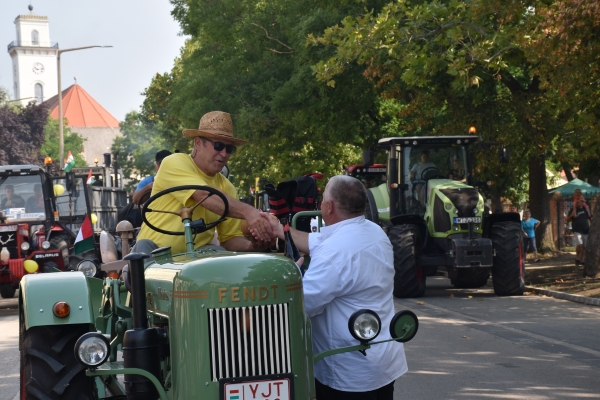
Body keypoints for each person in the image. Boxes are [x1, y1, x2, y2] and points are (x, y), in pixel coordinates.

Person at [257, 175, 407, 399]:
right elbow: (316, 242)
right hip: (383, 362)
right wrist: (281, 230)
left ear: (328, 207)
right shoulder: (375, 233)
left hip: (349, 373)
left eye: (323, 197)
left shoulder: (335, 253)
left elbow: (303, 306)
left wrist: (293, 272)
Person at [133, 111, 273, 256]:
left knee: (219, 253)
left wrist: (253, 246)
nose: (224, 154)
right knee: (143, 249)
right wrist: (249, 212)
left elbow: (230, 239)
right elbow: (204, 194)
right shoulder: (174, 162)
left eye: (229, 148)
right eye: (218, 145)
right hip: (154, 252)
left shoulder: (228, 188)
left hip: (195, 258)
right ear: (198, 143)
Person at [566, 197, 592, 267]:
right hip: (577, 230)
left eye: (579, 202)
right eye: (576, 202)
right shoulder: (573, 210)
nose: (577, 203)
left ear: (582, 203)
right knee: (579, 244)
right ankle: (577, 257)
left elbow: (590, 217)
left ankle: (582, 259)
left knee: (584, 246)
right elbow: (568, 220)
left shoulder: (585, 210)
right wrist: (572, 214)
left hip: (585, 230)